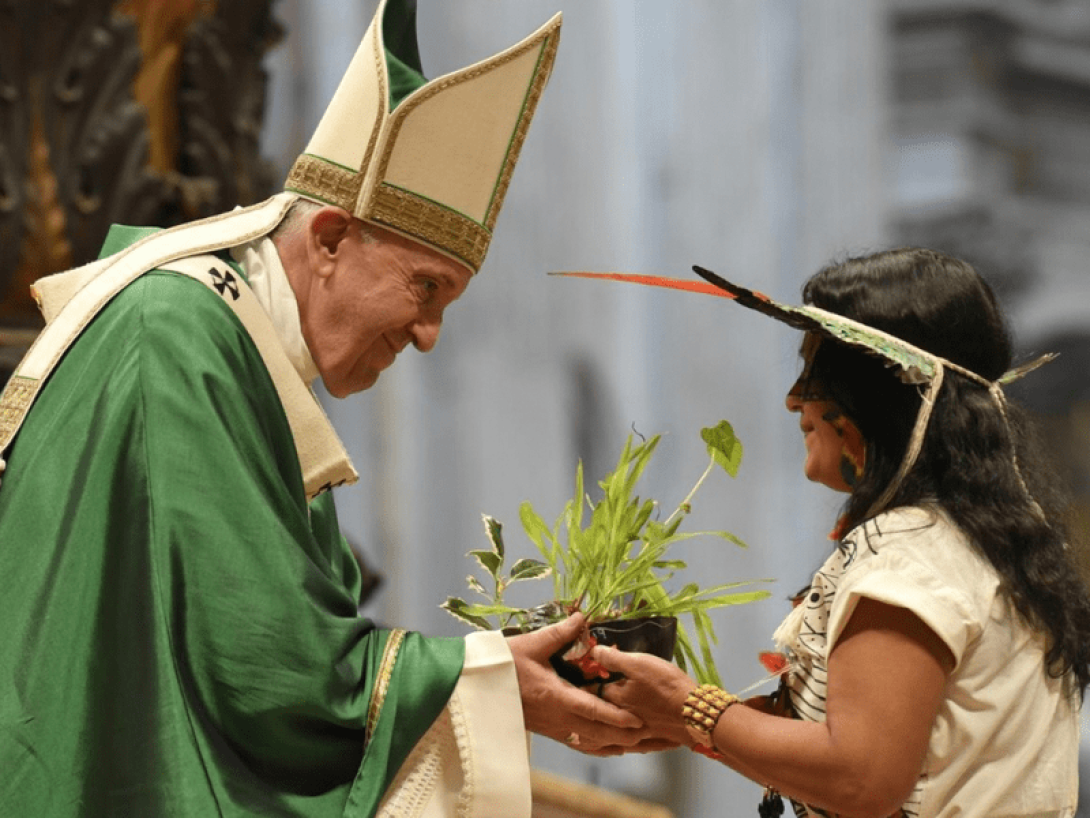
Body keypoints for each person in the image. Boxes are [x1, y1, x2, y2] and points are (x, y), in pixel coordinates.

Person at [0, 2, 651, 816]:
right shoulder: (179, 335)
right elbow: (270, 674)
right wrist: (483, 683)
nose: (428, 336)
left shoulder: (233, 347)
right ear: (333, 237)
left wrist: (486, 679)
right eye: (426, 289)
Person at [574, 249, 1090, 816]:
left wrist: (689, 708)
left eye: (817, 374)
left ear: (879, 396)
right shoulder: (963, 536)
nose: (795, 399)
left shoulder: (911, 558)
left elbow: (861, 778)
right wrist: (684, 717)